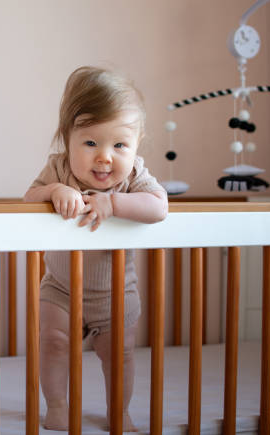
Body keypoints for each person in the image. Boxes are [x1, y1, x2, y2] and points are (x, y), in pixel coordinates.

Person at [24, 66, 168, 431]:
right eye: (90, 143)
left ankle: (118, 411)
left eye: (119, 145)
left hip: (115, 293)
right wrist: (55, 192)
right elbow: (28, 199)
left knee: (119, 356)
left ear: (136, 145)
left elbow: (159, 206)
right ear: (67, 140)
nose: (105, 157)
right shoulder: (58, 169)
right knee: (53, 345)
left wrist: (114, 204)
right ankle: (56, 406)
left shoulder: (134, 176)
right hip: (60, 288)